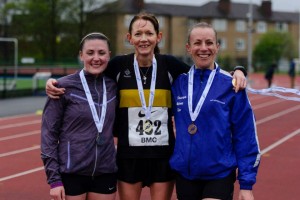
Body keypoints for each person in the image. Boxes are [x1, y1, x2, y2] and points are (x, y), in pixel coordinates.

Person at [45, 13, 247, 200]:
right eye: (138, 33)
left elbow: (204, 74)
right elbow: (89, 73)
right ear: (129, 38)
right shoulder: (118, 66)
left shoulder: (170, 65)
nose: (144, 38)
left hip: (162, 157)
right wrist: (55, 83)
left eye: (149, 33)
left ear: (158, 37)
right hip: (129, 157)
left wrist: (237, 71)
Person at [170, 22, 260, 200]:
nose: (204, 48)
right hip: (185, 175)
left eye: (209, 42)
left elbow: (246, 135)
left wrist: (246, 184)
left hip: (219, 175)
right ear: (188, 48)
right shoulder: (178, 84)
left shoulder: (231, 85)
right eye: (197, 43)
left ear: (217, 47)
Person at [41, 33, 118, 200]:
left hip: (105, 172)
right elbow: (49, 136)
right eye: (90, 53)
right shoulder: (62, 87)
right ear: (81, 55)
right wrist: (54, 180)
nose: (96, 58)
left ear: (109, 55)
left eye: (101, 53)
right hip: (72, 172)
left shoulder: (113, 86)